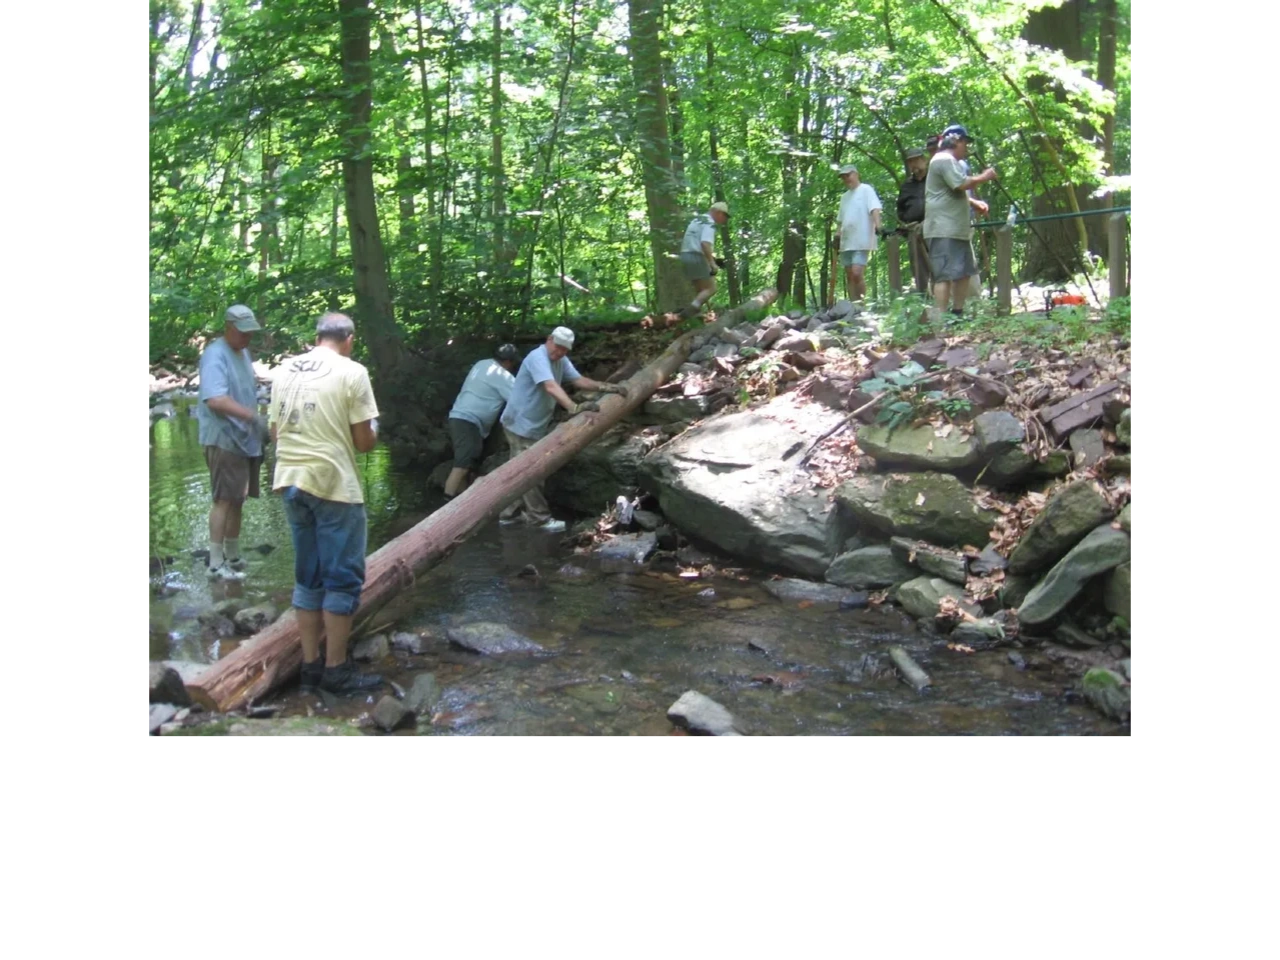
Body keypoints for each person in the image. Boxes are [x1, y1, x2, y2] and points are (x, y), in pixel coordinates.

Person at [268, 312, 384, 697]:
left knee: (308, 576)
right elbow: (364, 443)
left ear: (317, 337)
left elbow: (275, 431)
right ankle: (336, 669)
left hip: (290, 480)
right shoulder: (353, 371)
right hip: (333, 484)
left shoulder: (284, 370)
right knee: (342, 578)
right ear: (348, 339)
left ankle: (309, 667)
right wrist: (374, 430)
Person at [498, 326, 629, 533]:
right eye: (557, 347)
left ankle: (508, 514)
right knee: (530, 472)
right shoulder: (537, 358)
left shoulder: (560, 360)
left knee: (517, 469)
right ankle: (538, 518)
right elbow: (550, 386)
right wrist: (574, 408)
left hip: (532, 423)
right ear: (549, 339)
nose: (559, 353)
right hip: (520, 423)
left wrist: (607, 387)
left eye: (564, 350)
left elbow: (578, 380)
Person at [196, 304, 269, 581]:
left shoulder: (243, 351)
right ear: (228, 327)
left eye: (251, 333)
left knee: (238, 499)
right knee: (223, 499)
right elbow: (215, 399)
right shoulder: (215, 355)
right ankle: (215, 564)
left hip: (243, 438)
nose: (248, 337)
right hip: (224, 438)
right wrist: (253, 417)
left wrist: (255, 423)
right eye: (243, 332)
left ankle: (233, 555)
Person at [923, 124, 996, 318]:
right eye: (965, 143)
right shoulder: (943, 159)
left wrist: (973, 203)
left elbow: (949, 191)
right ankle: (941, 318)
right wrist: (985, 176)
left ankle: (957, 314)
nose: (967, 148)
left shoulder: (951, 162)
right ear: (956, 141)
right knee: (945, 275)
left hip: (958, 228)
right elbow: (960, 184)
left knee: (964, 272)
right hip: (943, 228)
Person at [443, 343, 520, 499]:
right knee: (462, 465)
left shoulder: (482, 364)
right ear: (509, 362)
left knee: (468, 463)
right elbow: (519, 400)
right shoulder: (503, 375)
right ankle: (445, 503)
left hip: (460, 418)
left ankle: (461, 500)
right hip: (468, 420)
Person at [835, 164, 882, 302]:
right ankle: (852, 307)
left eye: (848, 175)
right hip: (846, 240)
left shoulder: (866, 190)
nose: (846, 179)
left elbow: (875, 208)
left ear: (856, 174)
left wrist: (878, 226)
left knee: (857, 273)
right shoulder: (844, 197)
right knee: (849, 274)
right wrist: (837, 235)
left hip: (862, 239)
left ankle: (860, 304)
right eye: (843, 177)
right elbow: (840, 219)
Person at [677, 201, 730, 318]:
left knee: (700, 289)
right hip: (696, 256)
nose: (724, 219)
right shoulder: (709, 223)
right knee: (711, 288)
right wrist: (712, 263)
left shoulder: (697, 220)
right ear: (717, 212)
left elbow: (694, 243)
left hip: (685, 255)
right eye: (724, 215)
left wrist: (713, 259)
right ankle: (685, 315)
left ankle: (697, 317)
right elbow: (705, 244)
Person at [895, 147, 930, 294]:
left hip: (936, 225)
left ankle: (946, 299)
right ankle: (924, 297)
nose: (914, 164)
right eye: (910, 162)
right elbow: (901, 208)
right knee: (918, 265)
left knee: (941, 262)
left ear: (924, 160)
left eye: (916, 160)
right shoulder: (907, 186)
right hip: (914, 230)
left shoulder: (935, 178)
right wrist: (906, 222)